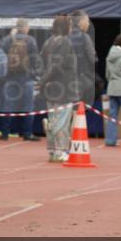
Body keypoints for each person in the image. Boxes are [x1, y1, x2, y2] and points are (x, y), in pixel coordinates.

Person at [40, 15, 78, 162]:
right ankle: (60, 151)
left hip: (51, 88)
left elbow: (42, 61)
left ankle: (52, 150)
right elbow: (58, 65)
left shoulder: (48, 42)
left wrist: (44, 80)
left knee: (54, 117)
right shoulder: (65, 43)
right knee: (62, 121)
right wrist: (45, 79)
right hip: (63, 86)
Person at [0, 38, 40, 142]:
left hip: (10, 81)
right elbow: (32, 70)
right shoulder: (27, 56)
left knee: (7, 107)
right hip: (25, 81)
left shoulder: (8, 56)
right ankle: (27, 133)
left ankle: (5, 133)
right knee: (28, 107)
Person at [68, 10, 97, 103]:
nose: (88, 24)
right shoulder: (85, 37)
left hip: (63, 82)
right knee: (79, 111)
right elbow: (93, 59)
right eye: (87, 21)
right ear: (81, 22)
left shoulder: (63, 37)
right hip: (80, 81)